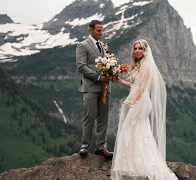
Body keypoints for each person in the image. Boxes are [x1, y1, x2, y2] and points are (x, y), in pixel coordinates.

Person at [111, 39, 178, 179]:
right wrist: (118, 81)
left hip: (141, 101)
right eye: (135, 48)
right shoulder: (137, 65)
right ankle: (133, 163)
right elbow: (133, 85)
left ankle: (133, 164)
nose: (137, 51)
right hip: (137, 98)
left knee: (127, 128)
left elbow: (142, 87)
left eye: (140, 48)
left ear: (145, 51)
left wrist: (133, 100)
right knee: (138, 130)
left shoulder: (147, 66)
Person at [76, 20, 113, 159]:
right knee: (89, 116)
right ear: (91, 30)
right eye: (98, 30)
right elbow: (81, 66)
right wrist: (97, 77)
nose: (101, 33)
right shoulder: (82, 45)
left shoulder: (104, 46)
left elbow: (108, 62)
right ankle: (84, 147)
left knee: (103, 117)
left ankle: (101, 147)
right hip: (90, 87)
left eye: (102, 30)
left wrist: (113, 71)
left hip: (105, 87)